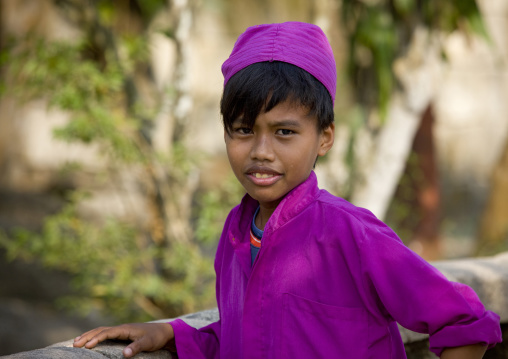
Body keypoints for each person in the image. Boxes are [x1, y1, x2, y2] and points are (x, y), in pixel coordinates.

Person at [73, 21, 502, 358]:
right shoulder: (237, 233)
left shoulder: (352, 234)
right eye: (244, 130)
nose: (261, 151)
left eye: (284, 132)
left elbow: (464, 320)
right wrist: (168, 332)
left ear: (325, 138)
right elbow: (251, 339)